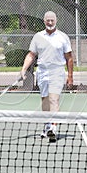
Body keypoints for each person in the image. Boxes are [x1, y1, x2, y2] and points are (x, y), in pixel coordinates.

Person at [20, 11, 73, 141]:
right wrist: (23, 69)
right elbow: (31, 55)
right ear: (44, 21)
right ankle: (47, 125)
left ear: (56, 21)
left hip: (57, 71)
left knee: (54, 99)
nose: (50, 22)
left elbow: (69, 58)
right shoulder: (38, 37)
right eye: (48, 20)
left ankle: (52, 128)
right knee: (45, 101)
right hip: (42, 72)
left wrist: (70, 76)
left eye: (52, 20)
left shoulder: (63, 37)